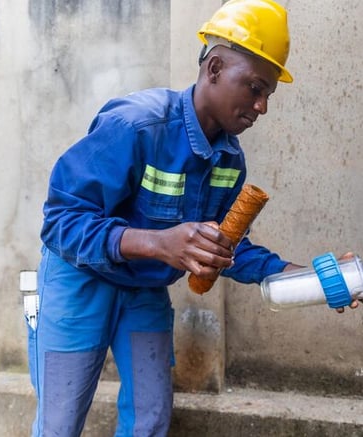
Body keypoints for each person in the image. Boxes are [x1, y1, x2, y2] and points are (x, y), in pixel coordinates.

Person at [26, 0, 355, 435]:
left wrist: (311, 279)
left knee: (150, 418)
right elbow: (60, 221)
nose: (262, 107)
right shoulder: (137, 126)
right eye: (255, 88)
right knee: (60, 424)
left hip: (142, 290)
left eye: (268, 94)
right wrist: (159, 244)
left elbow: (227, 250)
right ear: (214, 68)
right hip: (79, 281)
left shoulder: (229, 160)